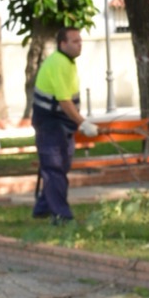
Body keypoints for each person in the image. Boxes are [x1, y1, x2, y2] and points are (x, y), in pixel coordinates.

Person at [30, 26, 96, 222]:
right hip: (50, 124)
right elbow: (64, 101)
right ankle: (61, 215)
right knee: (54, 168)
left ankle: (43, 208)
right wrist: (83, 123)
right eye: (75, 41)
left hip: (61, 124)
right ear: (62, 44)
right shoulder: (59, 63)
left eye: (80, 41)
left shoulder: (67, 62)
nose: (79, 45)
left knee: (59, 167)